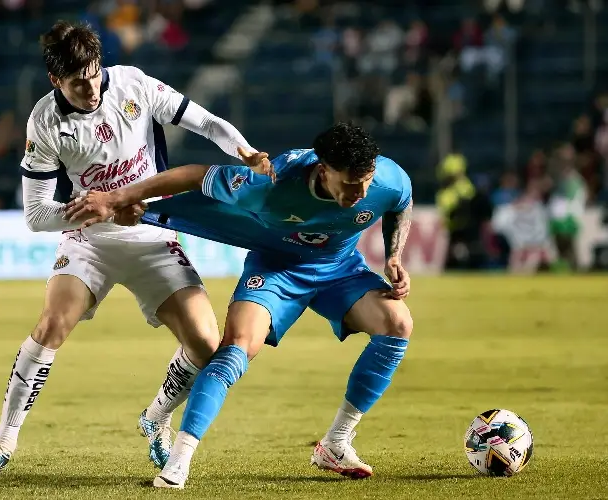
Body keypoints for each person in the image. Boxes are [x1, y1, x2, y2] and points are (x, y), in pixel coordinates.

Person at [0, 20, 270, 476]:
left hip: (152, 233)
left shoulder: (133, 84)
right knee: (52, 324)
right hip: (90, 239)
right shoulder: (44, 123)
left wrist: (243, 151)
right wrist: (103, 211)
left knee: (208, 348)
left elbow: (203, 121)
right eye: (75, 83)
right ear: (55, 81)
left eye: (92, 75)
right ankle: (2, 442)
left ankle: (156, 417)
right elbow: (36, 217)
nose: (90, 89)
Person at [65, 123, 414, 489]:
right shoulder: (272, 184)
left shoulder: (388, 179)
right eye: (349, 184)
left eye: (366, 182)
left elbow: (400, 204)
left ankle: (336, 443)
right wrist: (117, 199)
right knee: (236, 350)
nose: (360, 192)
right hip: (277, 269)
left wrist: (393, 256)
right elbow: (194, 176)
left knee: (398, 324)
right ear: (323, 170)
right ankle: (179, 459)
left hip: (339, 269)